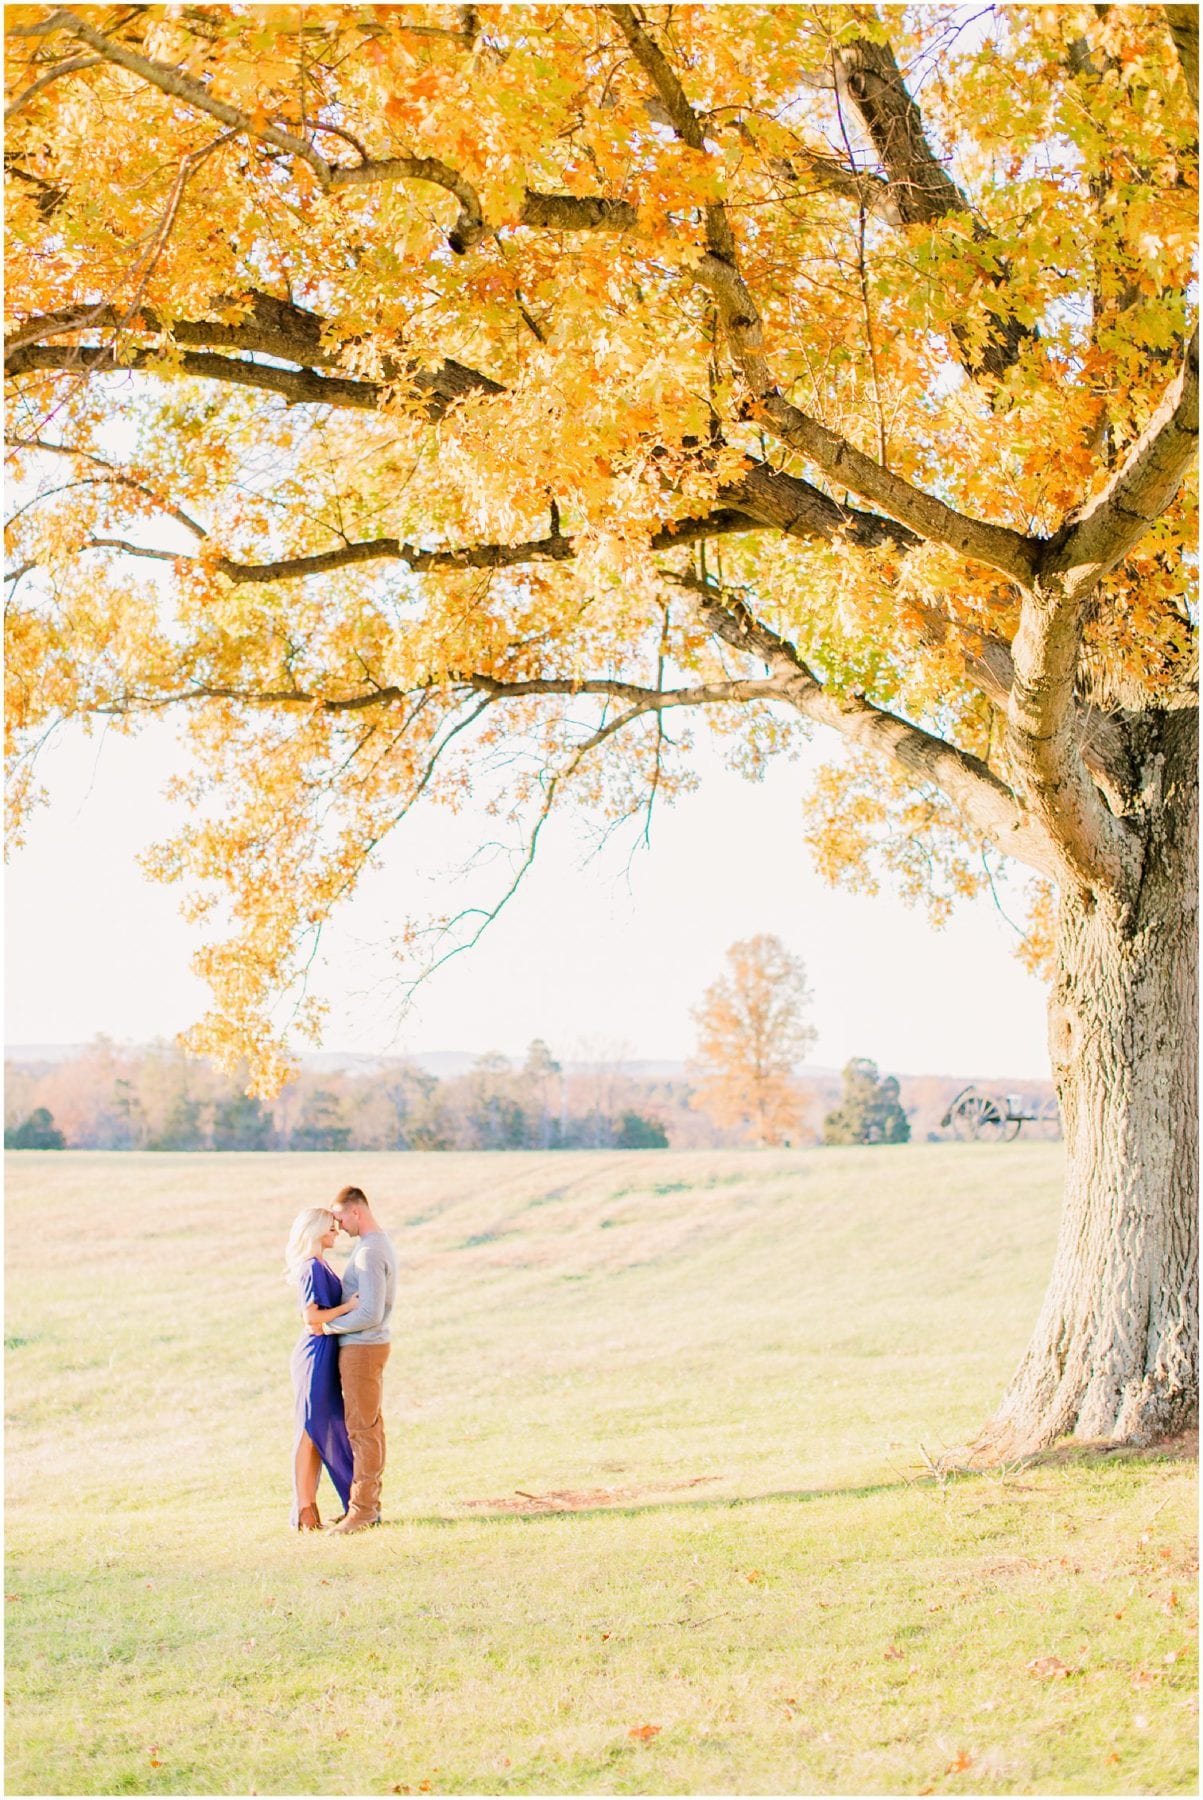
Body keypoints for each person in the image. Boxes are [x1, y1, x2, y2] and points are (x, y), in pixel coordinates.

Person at [311, 1183, 397, 1535]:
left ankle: (363, 1511)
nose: (338, 1226)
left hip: (363, 1348)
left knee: (363, 1430)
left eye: (340, 1218)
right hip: (361, 1347)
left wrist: (328, 1327)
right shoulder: (371, 1247)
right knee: (365, 1427)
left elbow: (371, 1314)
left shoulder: (370, 1252)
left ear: (356, 1211)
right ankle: (362, 1506)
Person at [284, 1208, 358, 1531]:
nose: (337, 1232)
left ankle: (311, 1509)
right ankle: (304, 1511)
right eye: (331, 1228)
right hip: (314, 1356)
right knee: (310, 1431)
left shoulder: (320, 1264)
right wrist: (349, 1307)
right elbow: (311, 1318)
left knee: (317, 1432)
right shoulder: (311, 1267)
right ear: (316, 1231)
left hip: (323, 1354)